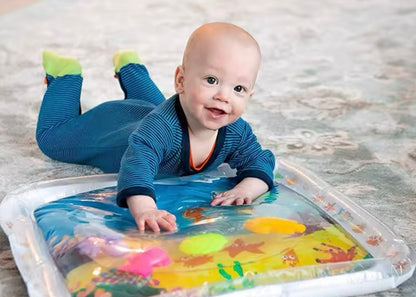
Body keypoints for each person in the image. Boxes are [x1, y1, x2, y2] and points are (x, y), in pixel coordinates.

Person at [36, 22, 275, 233]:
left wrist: (246, 189)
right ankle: (65, 77)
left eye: (238, 89)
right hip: (113, 127)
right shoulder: (160, 129)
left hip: (150, 110)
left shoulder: (235, 131)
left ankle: (131, 68)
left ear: (249, 95)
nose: (224, 96)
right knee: (53, 141)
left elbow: (260, 161)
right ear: (180, 80)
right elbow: (136, 169)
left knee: (162, 106)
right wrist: (146, 210)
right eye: (211, 80)